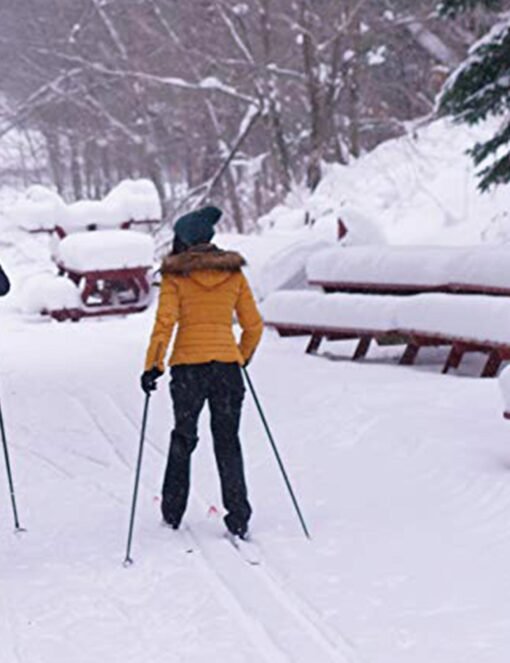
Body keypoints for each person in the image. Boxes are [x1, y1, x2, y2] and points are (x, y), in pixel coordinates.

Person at [141, 206, 263, 539]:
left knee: (184, 436)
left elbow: (164, 323)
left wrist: (153, 366)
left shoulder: (175, 275)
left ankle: (173, 511)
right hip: (226, 371)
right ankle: (238, 516)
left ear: (184, 240)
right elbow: (253, 325)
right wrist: (240, 356)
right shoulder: (234, 274)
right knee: (228, 441)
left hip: (189, 370)